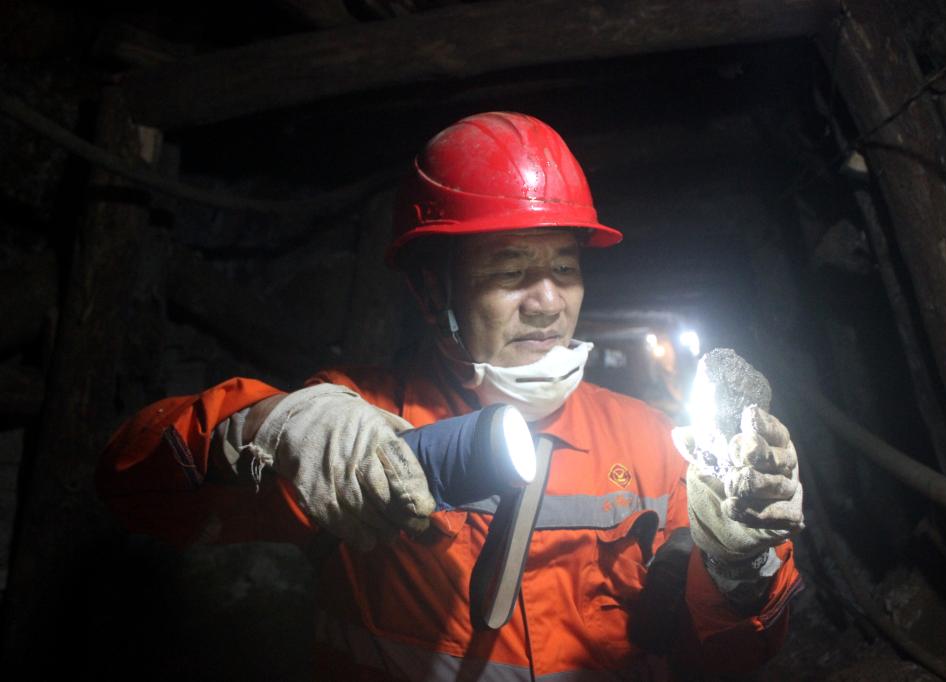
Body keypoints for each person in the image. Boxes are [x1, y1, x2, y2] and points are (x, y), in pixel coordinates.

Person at [97, 111, 805, 680]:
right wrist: (267, 425)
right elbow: (132, 485)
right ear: (432, 290)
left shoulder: (653, 442)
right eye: (510, 270)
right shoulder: (360, 423)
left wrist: (740, 566)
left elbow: (728, 658)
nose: (548, 301)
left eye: (565, 267)